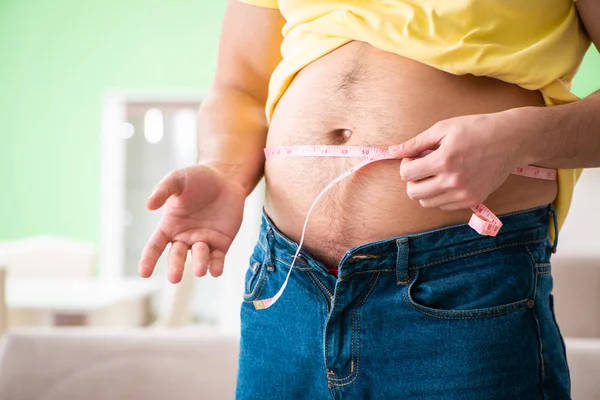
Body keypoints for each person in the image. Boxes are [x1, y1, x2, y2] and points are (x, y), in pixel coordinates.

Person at [138, 0, 600, 398]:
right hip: (286, 286)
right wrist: (224, 169)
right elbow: (239, 87)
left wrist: (518, 139)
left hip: (465, 281)